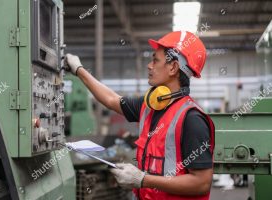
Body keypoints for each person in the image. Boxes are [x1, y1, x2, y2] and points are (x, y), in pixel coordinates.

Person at [65, 31, 215, 200]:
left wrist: (143, 180)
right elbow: (111, 99)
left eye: (155, 60)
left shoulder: (191, 119)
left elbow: (201, 183)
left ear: (173, 67)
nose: (149, 66)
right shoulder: (149, 107)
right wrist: (79, 70)